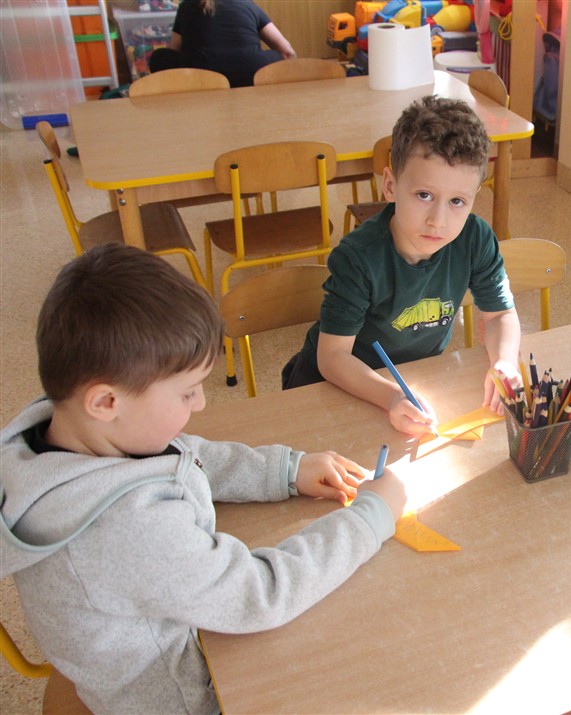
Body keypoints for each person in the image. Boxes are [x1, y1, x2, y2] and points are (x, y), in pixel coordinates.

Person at [0, 244, 406, 714]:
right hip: (187, 698)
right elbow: (258, 594)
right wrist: (369, 519)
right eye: (188, 392)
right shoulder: (129, 531)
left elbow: (181, 454)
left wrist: (285, 470)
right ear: (106, 402)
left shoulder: (65, 424)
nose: (201, 405)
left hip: (171, 633)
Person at [282, 96, 522, 437]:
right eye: (424, 195)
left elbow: (500, 316)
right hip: (336, 387)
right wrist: (392, 396)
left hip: (410, 385)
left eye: (457, 201)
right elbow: (332, 357)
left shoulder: (476, 239)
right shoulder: (358, 257)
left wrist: (504, 361)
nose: (438, 220)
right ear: (391, 185)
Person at [149, 0, 296, 87]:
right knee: (277, 56)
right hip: (250, 73)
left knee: (159, 57)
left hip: (201, 76)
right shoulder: (248, 4)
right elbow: (286, 51)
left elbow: (174, 48)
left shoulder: (187, 5)